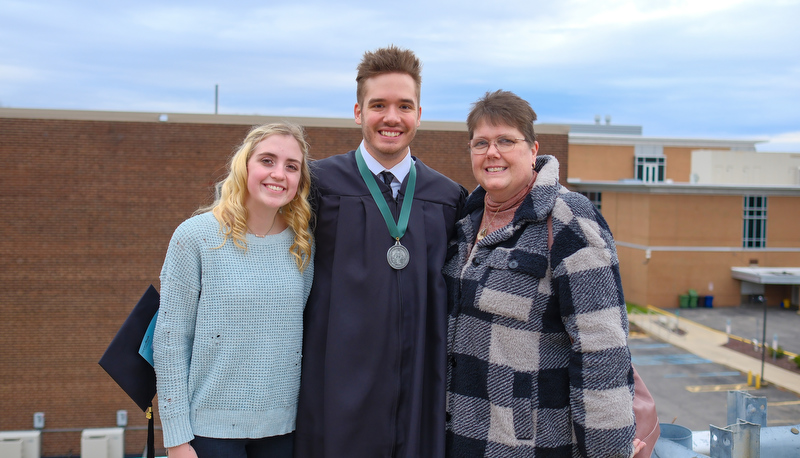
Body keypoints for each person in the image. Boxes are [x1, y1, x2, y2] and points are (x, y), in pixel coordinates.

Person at [443, 90, 638, 457]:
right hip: (458, 442)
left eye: (506, 141)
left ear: (533, 149)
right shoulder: (464, 223)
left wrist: (608, 451)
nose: (492, 153)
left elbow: (602, 348)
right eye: (481, 143)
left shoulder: (568, 220)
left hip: (530, 447)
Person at [294, 45, 467, 457]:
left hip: (420, 398)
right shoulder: (316, 185)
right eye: (379, 105)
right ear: (358, 112)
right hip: (335, 394)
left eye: (405, 106)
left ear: (419, 115)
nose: (392, 117)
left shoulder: (447, 197)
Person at [153, 123, 315, 458]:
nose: (279, 174)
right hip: (208, 434)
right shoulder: (195, 237)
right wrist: (176, 438)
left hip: (283, 432)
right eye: (267, 160)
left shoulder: (303, 246)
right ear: (245, 166)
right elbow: (170, 341)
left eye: (291, 166)